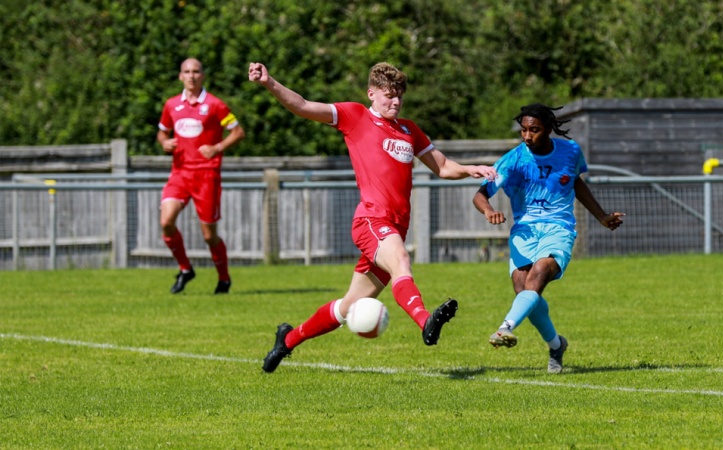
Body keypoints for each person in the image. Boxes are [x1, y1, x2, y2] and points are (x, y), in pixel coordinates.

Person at [248, 61, 497, 373]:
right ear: (372, 93)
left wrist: (471, 169)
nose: (394, 101)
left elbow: (443, 166)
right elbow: (301, 106)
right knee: (401, 261)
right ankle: (425, 321)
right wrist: (270, 82)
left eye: (399, 97)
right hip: (371, 220)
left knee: (348, 306)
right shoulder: (356, 116)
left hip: (395, 226)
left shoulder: (409, 130)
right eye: (389, 95)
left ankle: (286, 341)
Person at [473, 103, 624, 374]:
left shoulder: (570, 151)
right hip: (525, 232)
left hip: (559, 228)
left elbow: (576, 182)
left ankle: (504, 327)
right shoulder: (514, 160)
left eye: (534, 130)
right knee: (524, 292)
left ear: (548, 129)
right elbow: (480, 193)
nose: (527, 136)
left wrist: (601, 216)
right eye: (523, 130)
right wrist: (489, 211)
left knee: (540, 272)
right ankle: (556, 345)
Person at [156, 58, 245, 294]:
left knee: (209, 235)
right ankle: (185, 269)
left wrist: (216, 148)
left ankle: (224, 279)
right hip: (180, 173)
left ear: (202, 76)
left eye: (196, 71)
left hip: (206, 176)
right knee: (166, 222)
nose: (191, 75)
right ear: (180, 76)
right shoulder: (172, 105)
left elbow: (237, 131)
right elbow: (162, 132)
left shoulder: (215, 105)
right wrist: (165, 142)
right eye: (187, 71)